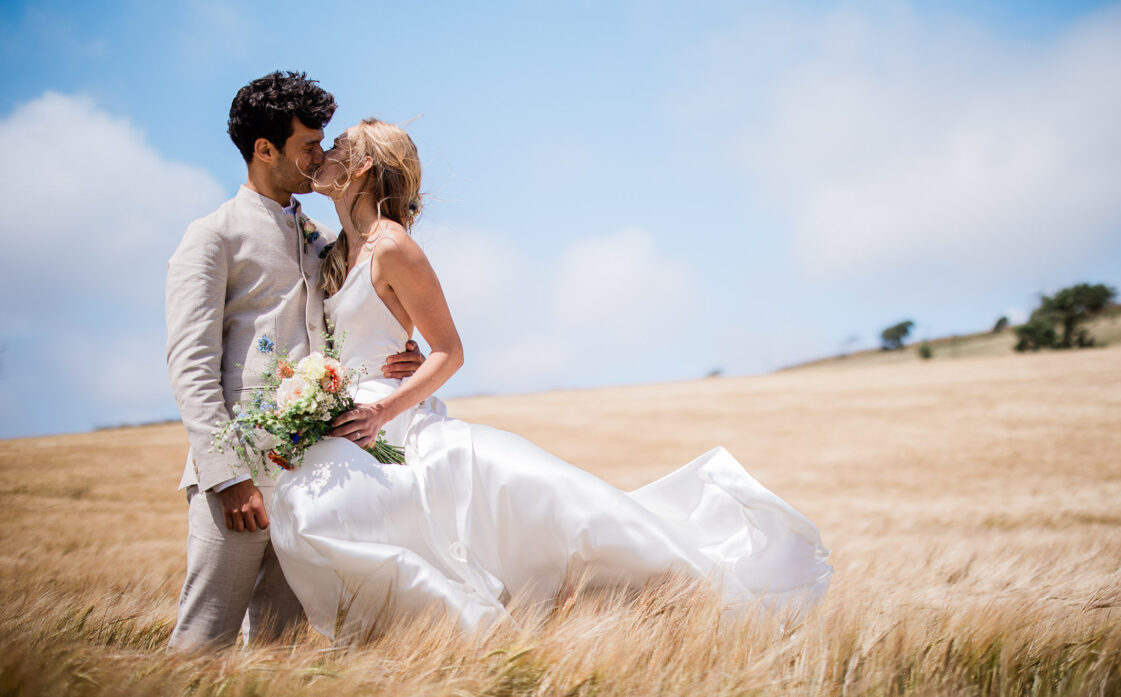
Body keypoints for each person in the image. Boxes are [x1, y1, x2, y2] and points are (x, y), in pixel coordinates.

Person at [266, 119, 833, 641]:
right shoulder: (334, 251)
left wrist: (381, 412)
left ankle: (702, 592)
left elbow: (450, 350)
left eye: (337, 146)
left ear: (362, 166)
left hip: (393, 421)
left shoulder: (394, 247)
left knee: (574, 517)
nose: (323, 154)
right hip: (352, 420)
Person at [164, 73, 424, 651]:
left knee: (281, 649)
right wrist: (228, 477)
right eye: (308, 145)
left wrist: (405, 351)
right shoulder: (213, 237)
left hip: (312, 475)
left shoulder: (321, 236)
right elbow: (191, 365)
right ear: (264, 149)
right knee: (203, 639)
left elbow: (364, 305)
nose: (319, 157)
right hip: (237, 475)